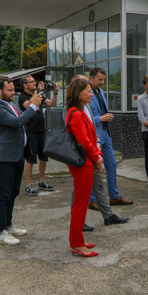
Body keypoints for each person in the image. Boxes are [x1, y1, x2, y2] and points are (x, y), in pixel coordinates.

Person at [0, 75, 42, 245]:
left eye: (14, 89)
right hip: (4, 157)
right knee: (4, 194)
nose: (14, 93)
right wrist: (32, 106)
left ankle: (8, 226)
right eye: (10, 90)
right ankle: (0, 232)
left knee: (13, 192)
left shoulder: (9, 105)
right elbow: (17, 122)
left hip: (16, 155)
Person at [73, 74, 127, 228]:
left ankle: (108, 214)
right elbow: (81, 135)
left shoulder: (88, 102)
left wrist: (96, 150)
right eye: (87, 89)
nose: (90, 93)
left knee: (99, 181)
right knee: (78, 189)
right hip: (84, 152)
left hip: (97, 143)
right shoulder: (73, 110)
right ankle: (79, 222)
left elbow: (89, 127)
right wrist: (95, 153)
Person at [63, 78, 104, 257]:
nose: (90, 94)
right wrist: (96, 158)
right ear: (78, 94)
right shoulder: (77, 114)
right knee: (81, 204)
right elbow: (84, 142)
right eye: (87, 91)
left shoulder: (78, 111)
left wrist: (97, 155)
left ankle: (77, 240)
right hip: (83, 163)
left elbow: (89, 138)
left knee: (81, 203)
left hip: (87, 161)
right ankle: (77, 244)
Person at [87, 66, 133, 209]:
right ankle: (91, 200)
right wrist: (101, 118)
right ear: (92, 78)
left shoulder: (101, 92)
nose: (102, 83)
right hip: (95, 134)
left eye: (103, 80)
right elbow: (84, 116)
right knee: (95, 167)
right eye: (100, 80)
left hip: (106, 133)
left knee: (112, 164)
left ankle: (114, 197)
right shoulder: (86, 93)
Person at [18, 76, 57, 196]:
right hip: (30, 131)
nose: (34, 83)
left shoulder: (38, 94)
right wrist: (38, 92)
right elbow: (28, 105)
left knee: (43, 157)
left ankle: (41, 181)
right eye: (31, 82)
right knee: (30, 159)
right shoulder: (22, 97)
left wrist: (55, 93)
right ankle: (28, 185)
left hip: (41, 131)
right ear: (25, 85)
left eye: (34, 81)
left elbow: (52, 104)